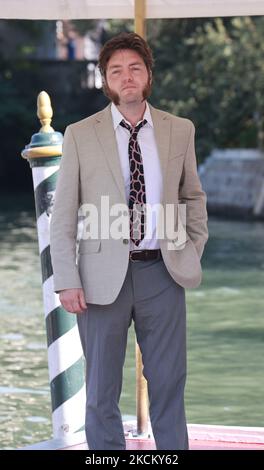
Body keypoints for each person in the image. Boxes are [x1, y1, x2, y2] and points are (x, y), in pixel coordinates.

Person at [50, 32, 208, 451]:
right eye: (116, 70)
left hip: (164, 272)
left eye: (135, 68)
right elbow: (63, 213)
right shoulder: (80, 134)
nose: (127, 76)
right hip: (100, 279)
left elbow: (193, 197)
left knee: (170, 383)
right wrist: (66, 278)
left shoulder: (180, 130)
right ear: (106, 80)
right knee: (101, 388)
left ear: (148, 75)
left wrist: (191, 250)